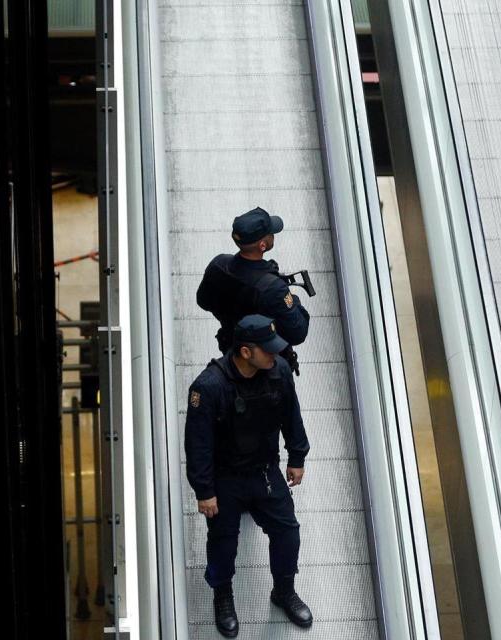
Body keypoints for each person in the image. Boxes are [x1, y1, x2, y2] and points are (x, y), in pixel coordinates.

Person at [184, 315, 313, 637]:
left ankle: (284, 589)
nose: (274, 355)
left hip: (264, 470)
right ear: (245, 351)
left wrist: (297, 456)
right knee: (223, 543)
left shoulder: (278, 371)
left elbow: (291, 415)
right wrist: (204, 492)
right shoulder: (208, 386)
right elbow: (197, 444)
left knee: (287, 532)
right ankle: (222, 595)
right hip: (225, 479)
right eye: (267, 350)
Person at [197, 206, 310, 374]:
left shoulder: (218, 265)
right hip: (268, 365)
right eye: (271, 233)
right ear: (262, 245)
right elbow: (298, 333)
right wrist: (293, 300)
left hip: (233, 357)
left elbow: (203, 301)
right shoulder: (273, 289)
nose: (273, 235)